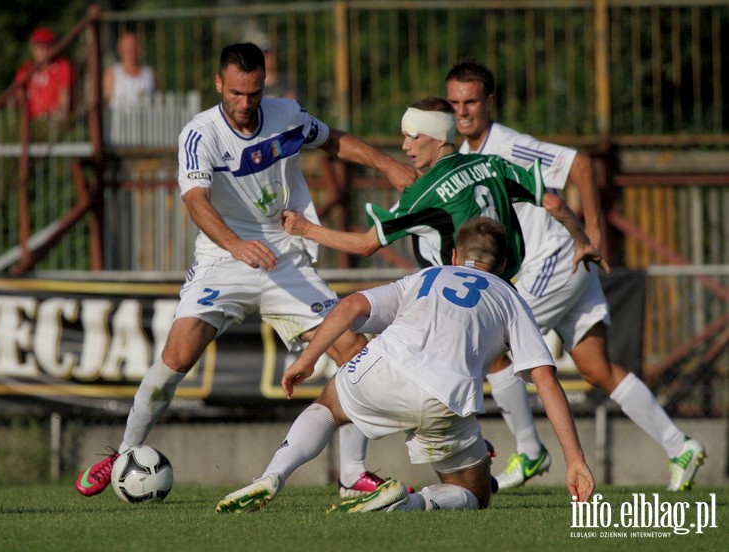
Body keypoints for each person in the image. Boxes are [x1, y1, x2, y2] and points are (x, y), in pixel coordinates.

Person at [75, 42, 418, 498]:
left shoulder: (287, 115)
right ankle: (123, 454)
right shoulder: (200, 134)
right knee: (176, 358)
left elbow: (333, 140)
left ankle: (352, 475)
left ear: (263, 86)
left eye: (253, 93)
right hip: (224, 260)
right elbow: (195, 202)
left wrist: (388, 164)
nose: (244, 103)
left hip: (286, 257)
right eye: (235, 93)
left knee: (354, 352)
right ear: (219, 84)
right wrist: (236, 245)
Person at [216, 217, 596, 513]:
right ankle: (409, 502)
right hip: (444, 397)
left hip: (383, 369)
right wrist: (575, 461)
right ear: (505, 264)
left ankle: (272, 475)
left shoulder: (427, 275)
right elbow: (545, 380)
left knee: (328, 406)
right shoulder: (510, 298)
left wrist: (307, 358)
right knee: (473, 495)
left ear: (453, 256)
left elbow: (349, 306)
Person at [445, 59, 705, 491]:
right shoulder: (468, 154)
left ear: (490, 102)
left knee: (495, 344)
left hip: (556, 258)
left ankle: (529, 451)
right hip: (562, 267)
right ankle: (681, 445)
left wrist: (595, 231)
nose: (463, 112)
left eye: (471, 101)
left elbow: (579, 163)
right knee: (596, 368)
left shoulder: (509, 144)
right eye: (455, 104)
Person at [281, 96, 608, 281]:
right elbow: (552, 201)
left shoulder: (424, 193)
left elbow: (366, 245)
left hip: (456, 294)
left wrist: (306, 229)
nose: (405, 145)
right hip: (506, 283)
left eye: (414, 136)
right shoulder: (492, 163)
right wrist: (582, 240)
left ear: (439, 138)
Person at [13, 27, 73, 122]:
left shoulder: (62, 66)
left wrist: (62, 115)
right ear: (32, 48)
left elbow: (64, 93)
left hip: (54, 121)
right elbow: (18, 97)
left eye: (47, 46)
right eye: (39, 47)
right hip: (31, 123)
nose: (43, 51)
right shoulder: (25, 70)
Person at [103, 31, 157, 109]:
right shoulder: (112, 74)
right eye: (127, 46)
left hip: (146, 119)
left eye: (134, 45)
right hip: (120, 119)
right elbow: (106, 103)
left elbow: (159, 100)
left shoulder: (150, 73)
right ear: (120, 49)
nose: (131, 49)